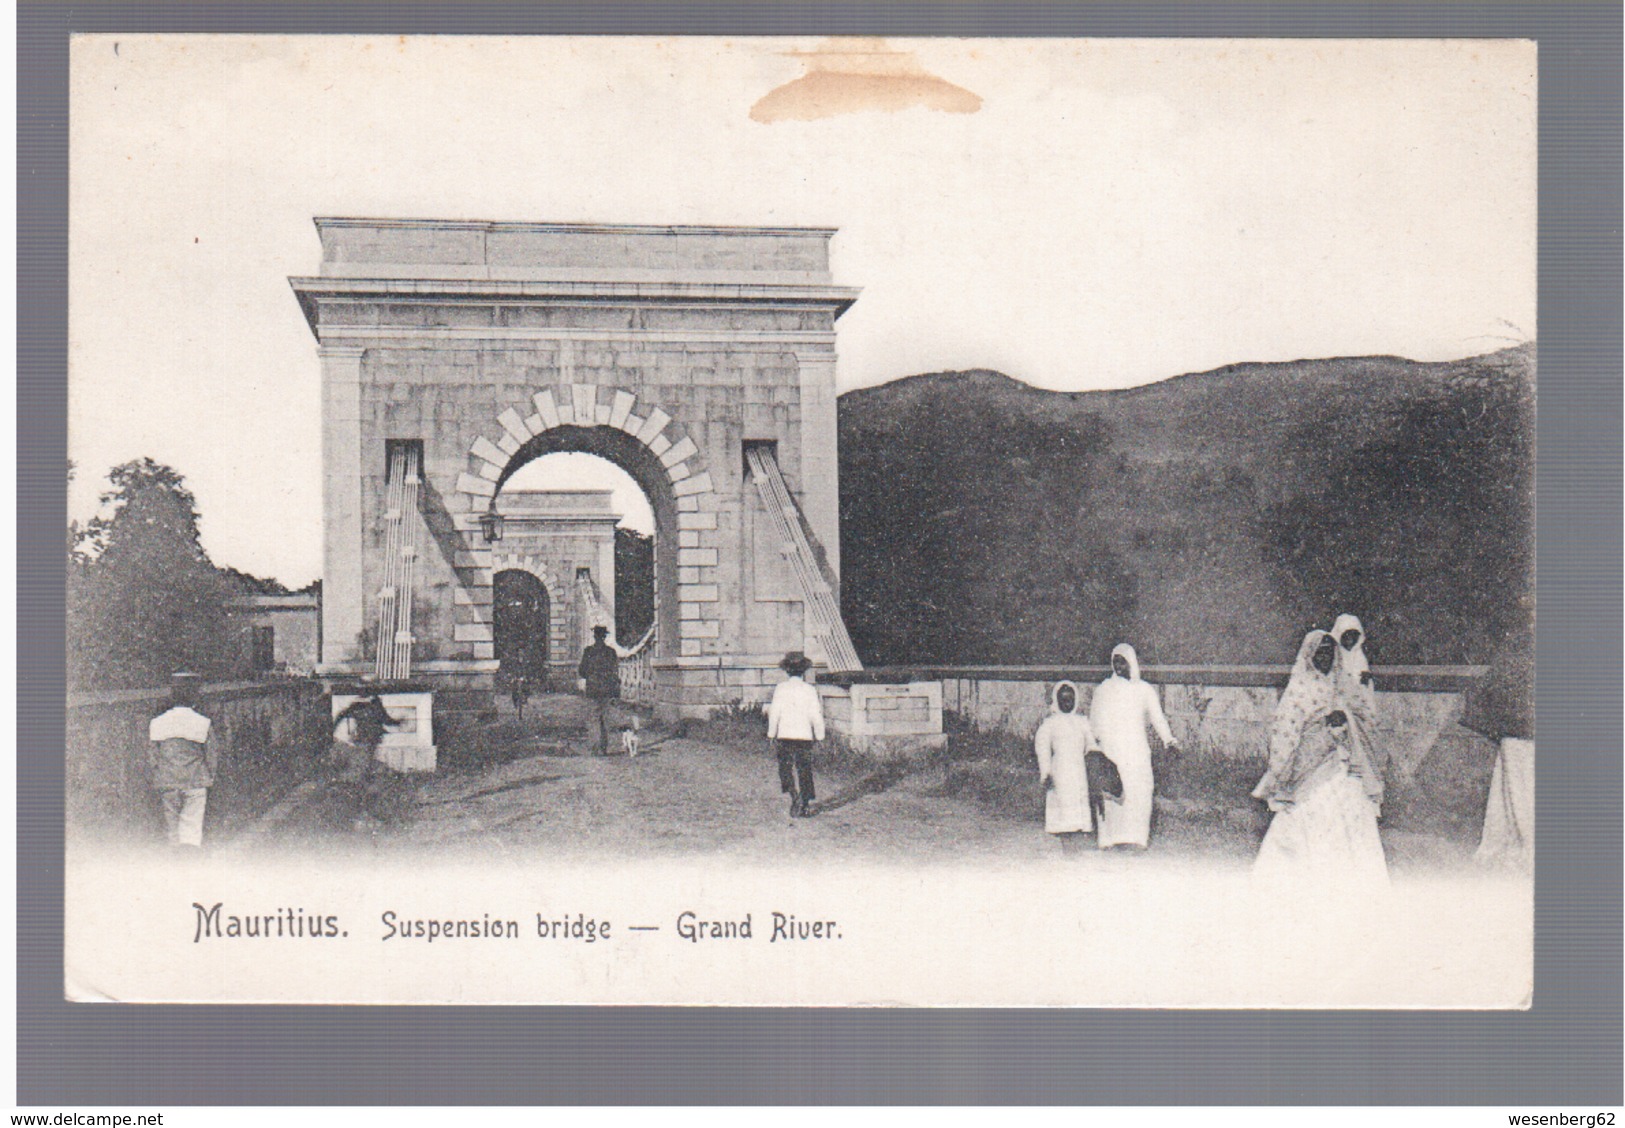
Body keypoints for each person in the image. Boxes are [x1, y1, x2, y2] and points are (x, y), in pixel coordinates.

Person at [1251, 631, 1388, 890]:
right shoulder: (1300, 688)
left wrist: (1343, 717)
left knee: (1350, 817)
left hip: (1343, 764)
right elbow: (1284, 730)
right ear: (1309, 656)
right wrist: (1282, 770)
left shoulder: (1343, 683)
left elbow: (1366, 714)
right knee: (1309, 817)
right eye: (1319, 652)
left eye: (1329, 651)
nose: (1324, 657)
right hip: (1309, 768)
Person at [1088, 643, 1178, 851]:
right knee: (1112, 795)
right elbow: (1094, 722)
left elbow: (1158, 718)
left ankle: (1137, 840)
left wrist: (1169, 740)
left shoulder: (1144, 690)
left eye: (1123, 661)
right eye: (1115, 661)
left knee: (1140, 792)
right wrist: (1095, 748)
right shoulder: (1103, 689)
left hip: (1136, 751)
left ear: (1132, 662)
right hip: (1112, 751)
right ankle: (1109, 840)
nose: (1119, 666)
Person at [1462, 620, 1535, 872]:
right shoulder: (1517, 653)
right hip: (1518, 734)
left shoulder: (1515, 652)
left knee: (1513, 789)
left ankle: (1522, 840)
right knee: (1517, 789)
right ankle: (1526, 841)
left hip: (1517, 733)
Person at [147, 673, 217, 849]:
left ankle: (175, 867)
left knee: (173, 831)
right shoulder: (203, 723)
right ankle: (190, 866)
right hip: (195, 781)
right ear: (193, 697)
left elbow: (153, 757)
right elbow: (211, 756)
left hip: (168, 781)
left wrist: (159, 775)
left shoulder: (157, 723)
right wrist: (210, 777)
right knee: (192, 829)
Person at [1033, 680, 1096, 855]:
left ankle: (1074, 847)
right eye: (1063, 700)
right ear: (1057, 700)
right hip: (1060, 772)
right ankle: (1067, 848)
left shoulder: (1082, 722)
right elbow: (1042, 748)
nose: (1067, 703)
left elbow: (1091, 744)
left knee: (1078, 809)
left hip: (1078, 772)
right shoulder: (1050, 724)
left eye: (1070, 699)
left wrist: (1096, 760)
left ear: (1075, 700)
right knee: (1063, 809)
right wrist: (1046, 772)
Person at [767, 651, 824, 818]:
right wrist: (819, 736)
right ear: (804, 670)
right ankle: (804, 803)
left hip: (785, 735)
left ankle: (794, 795)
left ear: (787, 670)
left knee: (785, 768)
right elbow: (816, 715)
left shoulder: (781, 688)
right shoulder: (810, 690)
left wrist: (771, 734)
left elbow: (774, 713)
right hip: (804, 736)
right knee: (804, 769)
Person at [1331, 612, 1386, 787]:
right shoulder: (1334, 657)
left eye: (1354, 636)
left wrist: (1364, 682)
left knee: (1364, 749)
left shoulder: (1359, 657)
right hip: (1340, 710)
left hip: (1359, 711)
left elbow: (1365, 692)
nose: (1350, 640)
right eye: (1346, 636)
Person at [577, 625, 620, 755]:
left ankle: (595, 747)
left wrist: (590, 676)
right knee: (605, 718)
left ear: (595, 636)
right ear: (604, 637)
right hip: (607, 689)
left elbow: (582, 671)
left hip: (593, 689)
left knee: (594, 717)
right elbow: (615, 671)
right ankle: (604, 747)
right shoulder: (611, 652)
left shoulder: (588, 651)